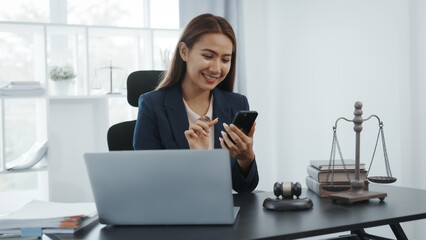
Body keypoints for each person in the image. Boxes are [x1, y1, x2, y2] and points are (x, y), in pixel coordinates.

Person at [133, 13, 258, 193]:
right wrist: (195, 161)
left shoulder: (237, 103)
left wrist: (246, 158)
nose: (216, 68)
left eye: (225, 59)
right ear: (184, 51)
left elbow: (244, 188)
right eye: (208, 56)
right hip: (173, 214)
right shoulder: (152, 105)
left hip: (223, 213)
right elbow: (147, 181)